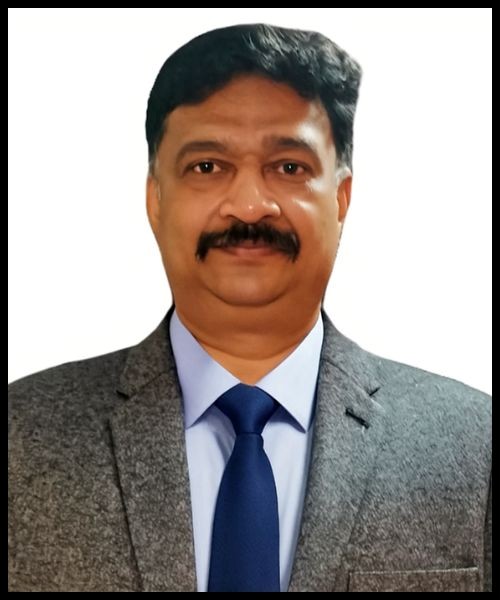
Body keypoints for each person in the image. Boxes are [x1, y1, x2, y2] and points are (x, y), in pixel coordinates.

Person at [8, 23, 491, 593]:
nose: (249, 206)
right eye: (207, 167)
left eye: (288, 167)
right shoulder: (22, 440)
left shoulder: (474, 447)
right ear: (155, 199)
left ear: (341, 200)